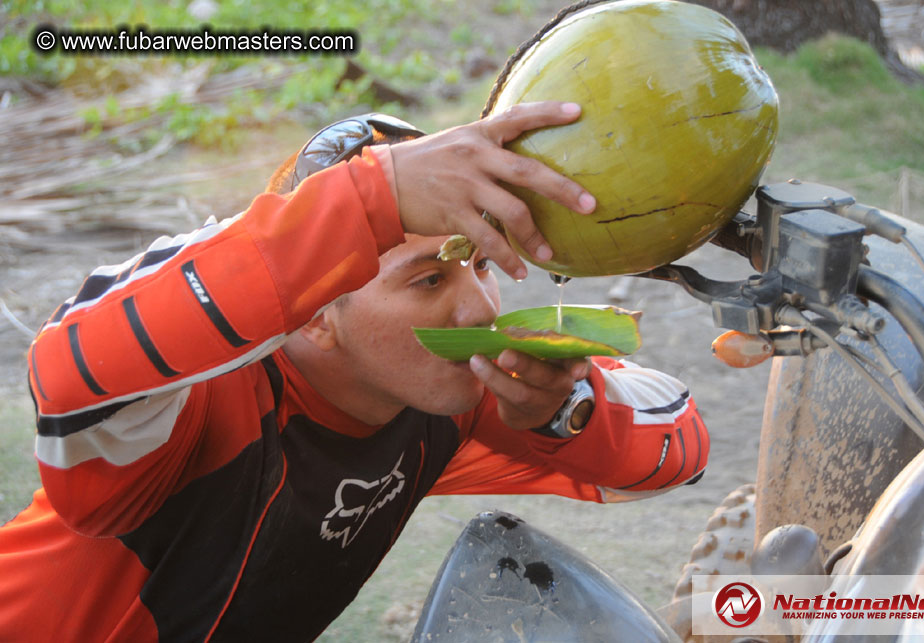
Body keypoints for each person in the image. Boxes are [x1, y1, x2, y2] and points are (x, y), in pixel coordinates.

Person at [0, 102, 707, 641]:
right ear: (311, 313)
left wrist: (562, 409)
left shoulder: (448, 400)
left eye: (482, 262)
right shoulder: (200, 404)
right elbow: (70, 368)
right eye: (429, 280)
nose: (478, 306)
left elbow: (678, 442)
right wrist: (377, 196)